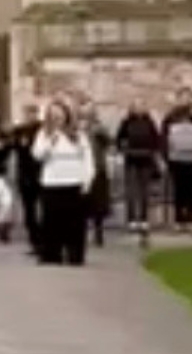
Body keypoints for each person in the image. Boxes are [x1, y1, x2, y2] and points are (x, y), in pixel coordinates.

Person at [32, 101, 94, 266]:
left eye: (60, 114)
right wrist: (51, 141)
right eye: (53, 115)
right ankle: (51, 254)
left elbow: (87, 159)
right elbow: (38, 155)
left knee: (75, 223)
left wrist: (87, 180)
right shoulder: (43, 134)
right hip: (52, 182)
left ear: (66, 115)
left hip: (74, 182)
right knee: (52, 221)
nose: (57, 118)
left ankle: (75, 255)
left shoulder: (78, 135)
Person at [161, 88, 192, 231]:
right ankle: (179, 219)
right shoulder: (171, 116)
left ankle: (191, 218)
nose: (186, 100)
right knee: (179, 190)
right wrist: (166, 156)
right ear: (178, 99)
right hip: (176, 159)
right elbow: (164, 137)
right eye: (183, 97)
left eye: (188, 97)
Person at [115, 99, 162, 239]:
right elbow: (119, 139)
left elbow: (156, 139)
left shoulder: (150, 122)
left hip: (146, 160)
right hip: (131, 160)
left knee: (144, 191)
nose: (139, 108)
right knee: (131, 191)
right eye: (136, 106)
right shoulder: (126, 122)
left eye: (142, 105)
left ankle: (143, 218)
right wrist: (124, 150)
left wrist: (153, 152)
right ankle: (131, 219)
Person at [12, 104, 44, 255]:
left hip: (41, 174)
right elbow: (13, 147)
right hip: (25, 174)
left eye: (32, 113)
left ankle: (44, 240)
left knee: (42, 210)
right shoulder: (19, 131)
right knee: (29, 211)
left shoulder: (42, 129)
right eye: (27, 113)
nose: (29, 116)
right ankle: (34, 242)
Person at [81, 106, 113, 248]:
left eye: (90, 114)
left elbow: (110, 142)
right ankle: (83, 231)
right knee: (83, 203)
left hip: (98, 168)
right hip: (82, 170)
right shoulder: (78, 129)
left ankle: (98, 231)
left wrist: (101, 133)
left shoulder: (99, 129)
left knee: (98, 203)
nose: (88, 117)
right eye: (85, 114)